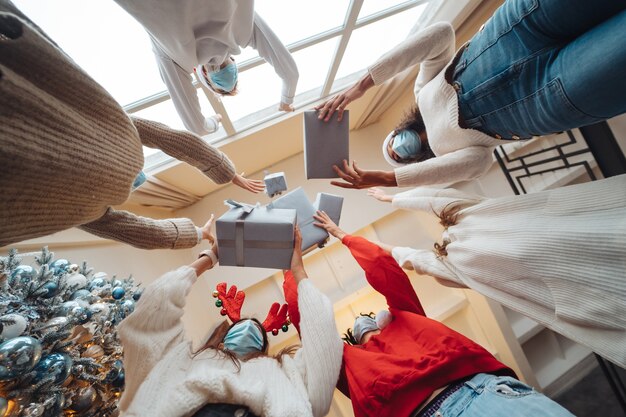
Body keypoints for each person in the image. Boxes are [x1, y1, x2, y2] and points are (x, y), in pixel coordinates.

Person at [0, 2, 265, 250]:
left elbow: (174, 140)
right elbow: (142, 232)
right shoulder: (89, 212)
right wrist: (198, 230)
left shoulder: (113, 134)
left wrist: (226, 175)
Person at [283, 211, 575, 417]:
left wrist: (342, 235)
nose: (364, 324)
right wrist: (291, 267)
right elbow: (309, 323)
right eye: (360, 327)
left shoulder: (405, 317)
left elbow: (383, 266)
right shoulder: (345, 364)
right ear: (353, 341)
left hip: (486, 394)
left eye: (367, 320)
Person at [315, 0, 626, 189]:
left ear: (397, 131)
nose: (399, 148)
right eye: (399, 157)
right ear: (414, 162)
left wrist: (362, 85)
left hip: (514, 30)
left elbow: (440, 34)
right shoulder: (454, 159)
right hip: (543, 99)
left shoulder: (423, 90)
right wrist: (386, 179)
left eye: (393, 145)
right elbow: (476, 166)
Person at [365, 174, 626, 368]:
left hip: (569, 252)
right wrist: (394, 200)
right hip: (571, 246)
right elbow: (434, 204)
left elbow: (416, 251)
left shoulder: (462, 236)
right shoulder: (464, 226)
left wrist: (393, 202)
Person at [118, 224, 343, 417]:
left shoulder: (285, 370)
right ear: (222, 339)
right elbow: (154, 307)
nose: (247, 330)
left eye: (255, 332)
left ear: (263, 350)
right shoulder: (186, 358)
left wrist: (298, 270)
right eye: (240, 327)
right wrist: (211, 257)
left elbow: (323, 342)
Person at [113, 0, 299, 136]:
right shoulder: (178, 59)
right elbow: (196, 126)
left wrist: (286, 101)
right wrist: (215, 121)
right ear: (201, 75)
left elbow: (290, 74)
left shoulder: (243, 29)